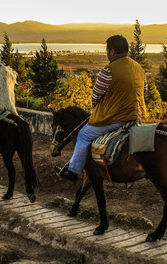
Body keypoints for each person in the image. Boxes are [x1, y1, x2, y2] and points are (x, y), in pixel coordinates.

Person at [56, 35, 148, 182]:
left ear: (112, 51)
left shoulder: (108, 70)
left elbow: (95, 96)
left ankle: (73, 171)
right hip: (136, 117)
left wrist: (99, 108)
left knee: (83, 135)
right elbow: (145, 90)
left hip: (115, 119)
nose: (106, 53)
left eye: (107, 50)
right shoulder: (138, 68)